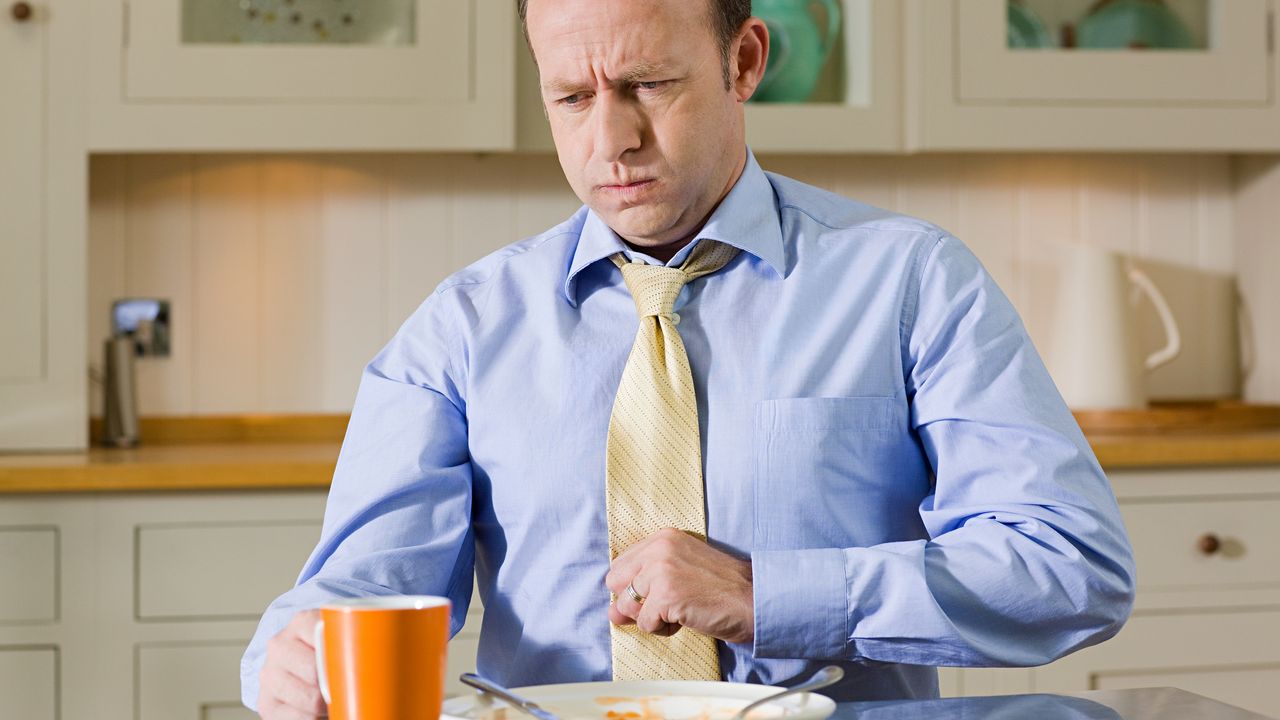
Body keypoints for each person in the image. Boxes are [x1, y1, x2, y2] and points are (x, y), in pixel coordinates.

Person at [241, 0, 1136, 716]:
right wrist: (291, 654)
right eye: (571, 97)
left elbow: (1070, 568)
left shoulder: (908, 281)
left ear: (743, 62)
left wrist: (771, 593)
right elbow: (363, 588)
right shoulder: (462, 328)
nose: (610, 139)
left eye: (649, 84)